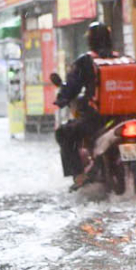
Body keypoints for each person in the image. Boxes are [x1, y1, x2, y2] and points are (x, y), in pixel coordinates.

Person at [52, 21, 115, 186]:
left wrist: (62, 98)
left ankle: (79, 176)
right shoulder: (123, 59)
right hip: (125, 117)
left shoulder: (86, 61)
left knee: (64, 133)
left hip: (96, 120)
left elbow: (71, 88)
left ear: (91, 41)